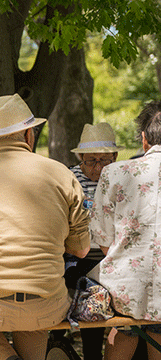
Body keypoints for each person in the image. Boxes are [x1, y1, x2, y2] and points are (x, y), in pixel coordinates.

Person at [0, 94, 90, 360]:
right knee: (34, 318)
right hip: (47, 306)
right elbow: (81, 250)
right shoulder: (63, 174)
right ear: (28, 134)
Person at [89, 101, 161, 360]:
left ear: (144, 139)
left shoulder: (114, 172)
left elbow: (103, 240)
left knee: (123, 328)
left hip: (125, 291)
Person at [60, 122, 122, 360]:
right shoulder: (70, 178)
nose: (97, 167)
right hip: (78, 253)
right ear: (81, 158)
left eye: (104, 160)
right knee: (90, 295)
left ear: (114, 157)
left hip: (112, 253)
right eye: (91, 160)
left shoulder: (121, 177)